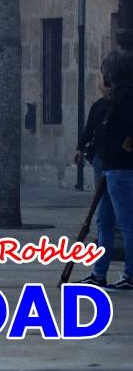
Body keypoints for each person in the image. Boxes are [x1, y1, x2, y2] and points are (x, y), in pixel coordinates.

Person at [95, 50, 133, 290]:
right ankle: (99, 272)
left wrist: (128, 142)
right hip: (111, 168)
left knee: (126, 223)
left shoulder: (125, 96)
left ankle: (130, 274)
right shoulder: (118, 97)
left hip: (120, 168)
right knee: (104, 221)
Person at [75, 71, 115, 286]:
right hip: (100, 160)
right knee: (103, 218)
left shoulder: (120, 106)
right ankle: (99, 272)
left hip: (116, 164)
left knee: (119, 220)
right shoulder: (99, 106)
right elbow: (89, 128)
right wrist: (81, 148)